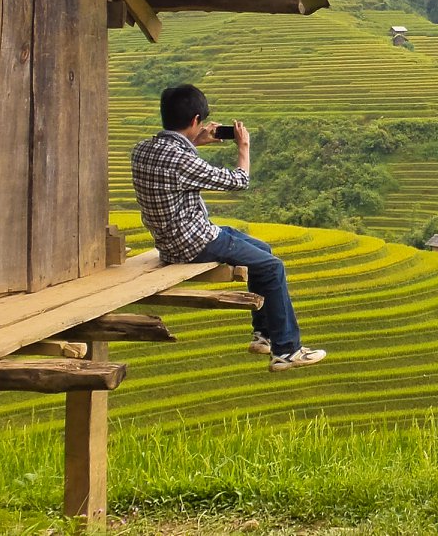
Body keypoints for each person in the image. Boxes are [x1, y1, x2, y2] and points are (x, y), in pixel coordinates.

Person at [131, 84, 326, 372]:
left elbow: (170, 161)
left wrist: (195, 142)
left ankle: (264, 335)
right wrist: (243, 147)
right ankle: (286, 351)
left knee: (262, 250)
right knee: (273, 266)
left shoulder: (143, 150)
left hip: (169, 240)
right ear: (196, 120)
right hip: (194, 243)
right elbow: (238, 181)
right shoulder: (183, 159)